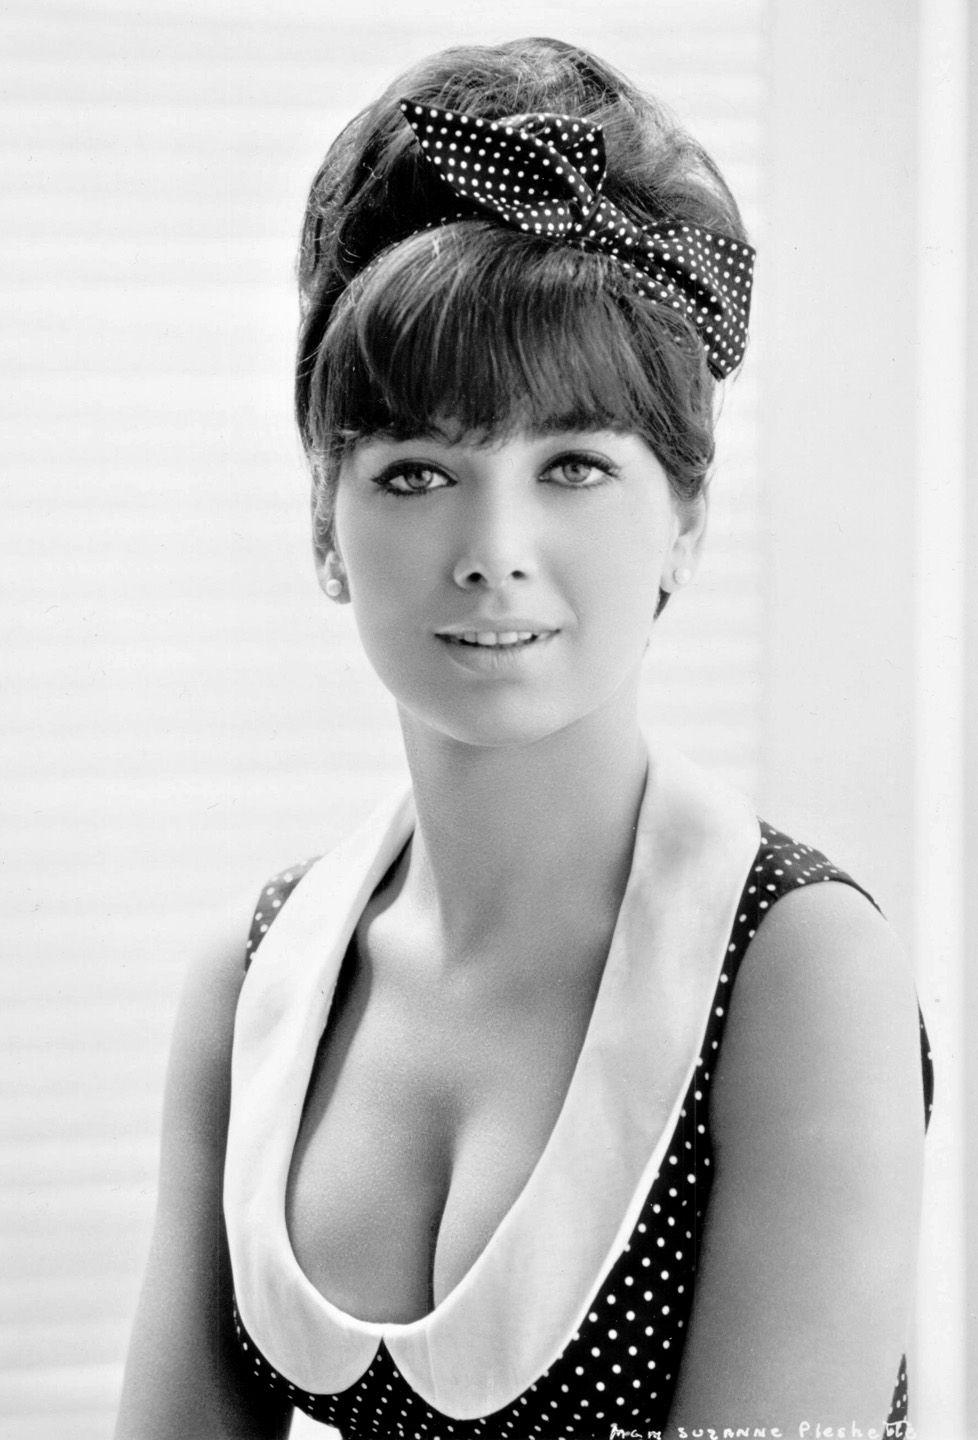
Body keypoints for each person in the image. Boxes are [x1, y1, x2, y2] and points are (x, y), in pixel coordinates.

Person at [115, 37, 933, 1440]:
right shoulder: (253, 985)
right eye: (416, 472)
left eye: (574, 465)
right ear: (325, 524)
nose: (494, 550)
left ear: (684, 521)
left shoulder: (796, 972)